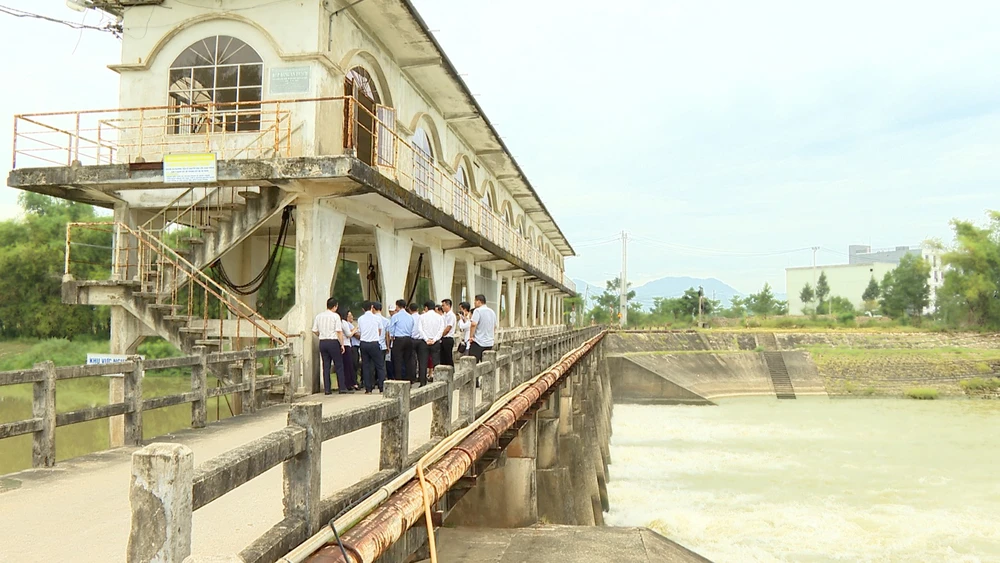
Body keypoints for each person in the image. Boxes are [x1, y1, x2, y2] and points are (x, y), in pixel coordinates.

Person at [312, 297, 346, 395]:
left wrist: (321, 334)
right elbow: (339, 331)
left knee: (326, 366)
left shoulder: (319, 316)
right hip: (333, 342)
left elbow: (314, 330)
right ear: (335, 306)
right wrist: (342, 344)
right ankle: (341, 388)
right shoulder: (335, 316)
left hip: (323, 342)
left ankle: (327, 389)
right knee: (338, 365)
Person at [358, 301, 387, 394]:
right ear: (371, 307)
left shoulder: (360, 319)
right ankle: (381, 387)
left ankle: (368, 388)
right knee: (380, 366)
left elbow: (360, 331)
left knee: (366, 366)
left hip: (364, 343)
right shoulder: (377, 318)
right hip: (374, 343)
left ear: (363, 309)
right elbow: (380, 331)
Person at [415, 300, 444, 387]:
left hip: (424, 342)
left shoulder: (422, 317)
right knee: (436, 362)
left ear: (426, 308)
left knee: (423, 362)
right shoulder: (439, 317)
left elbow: (420, 329)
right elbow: (441, 330)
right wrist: (434, 339)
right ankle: (438, 381)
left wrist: (426, 339)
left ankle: (423, 382)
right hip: (435, 342)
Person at [388, 298, 415, 382]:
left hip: (399, 339)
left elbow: (391, 329)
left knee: (398, 360)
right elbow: (412, 327)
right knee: (408, 360)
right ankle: (409, 379)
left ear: (397, 306)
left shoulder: (395, 316)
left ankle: (399, 379)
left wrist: (392, 337)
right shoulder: (410, 317)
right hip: (408, 338)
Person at [469, 294, 497, 363]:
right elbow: (494, 326)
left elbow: (473, 324)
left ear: (479, 301)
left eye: (475, 301)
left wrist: (471, 337)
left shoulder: (477, 311)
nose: (474, 303)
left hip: (478, 341)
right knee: (487, 364)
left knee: (472, 363)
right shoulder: (492, 312)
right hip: (489, 342)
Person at [341, 311, 359, 392]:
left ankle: (348, 383)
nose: (351, 317)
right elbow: (349, 334)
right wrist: (355, 329)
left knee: (347, 365)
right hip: (346, 345)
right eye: (349, 315)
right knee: (349, 365)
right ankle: (350, 383)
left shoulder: (340, 323)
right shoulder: (344, 323)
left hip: (343, 345)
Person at [440, 299, 457, 366]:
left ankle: (451, 370)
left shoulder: (451, 315)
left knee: (448, 357)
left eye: (443, 305)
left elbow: (448, 328)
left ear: (448, 305)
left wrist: (440, 335)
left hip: (448, 338)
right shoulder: (444, 315)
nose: (442, 307)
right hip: (443, 338)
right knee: (442, 358)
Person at [408, 302, 421, 383]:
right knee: (421, 359)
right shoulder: (421, 317)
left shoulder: (409, 318)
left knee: (412, 359)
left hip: (411, 339)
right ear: (418, 309)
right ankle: (421, 376)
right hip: (420, 339)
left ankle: (412, 377)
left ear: (410, 310)